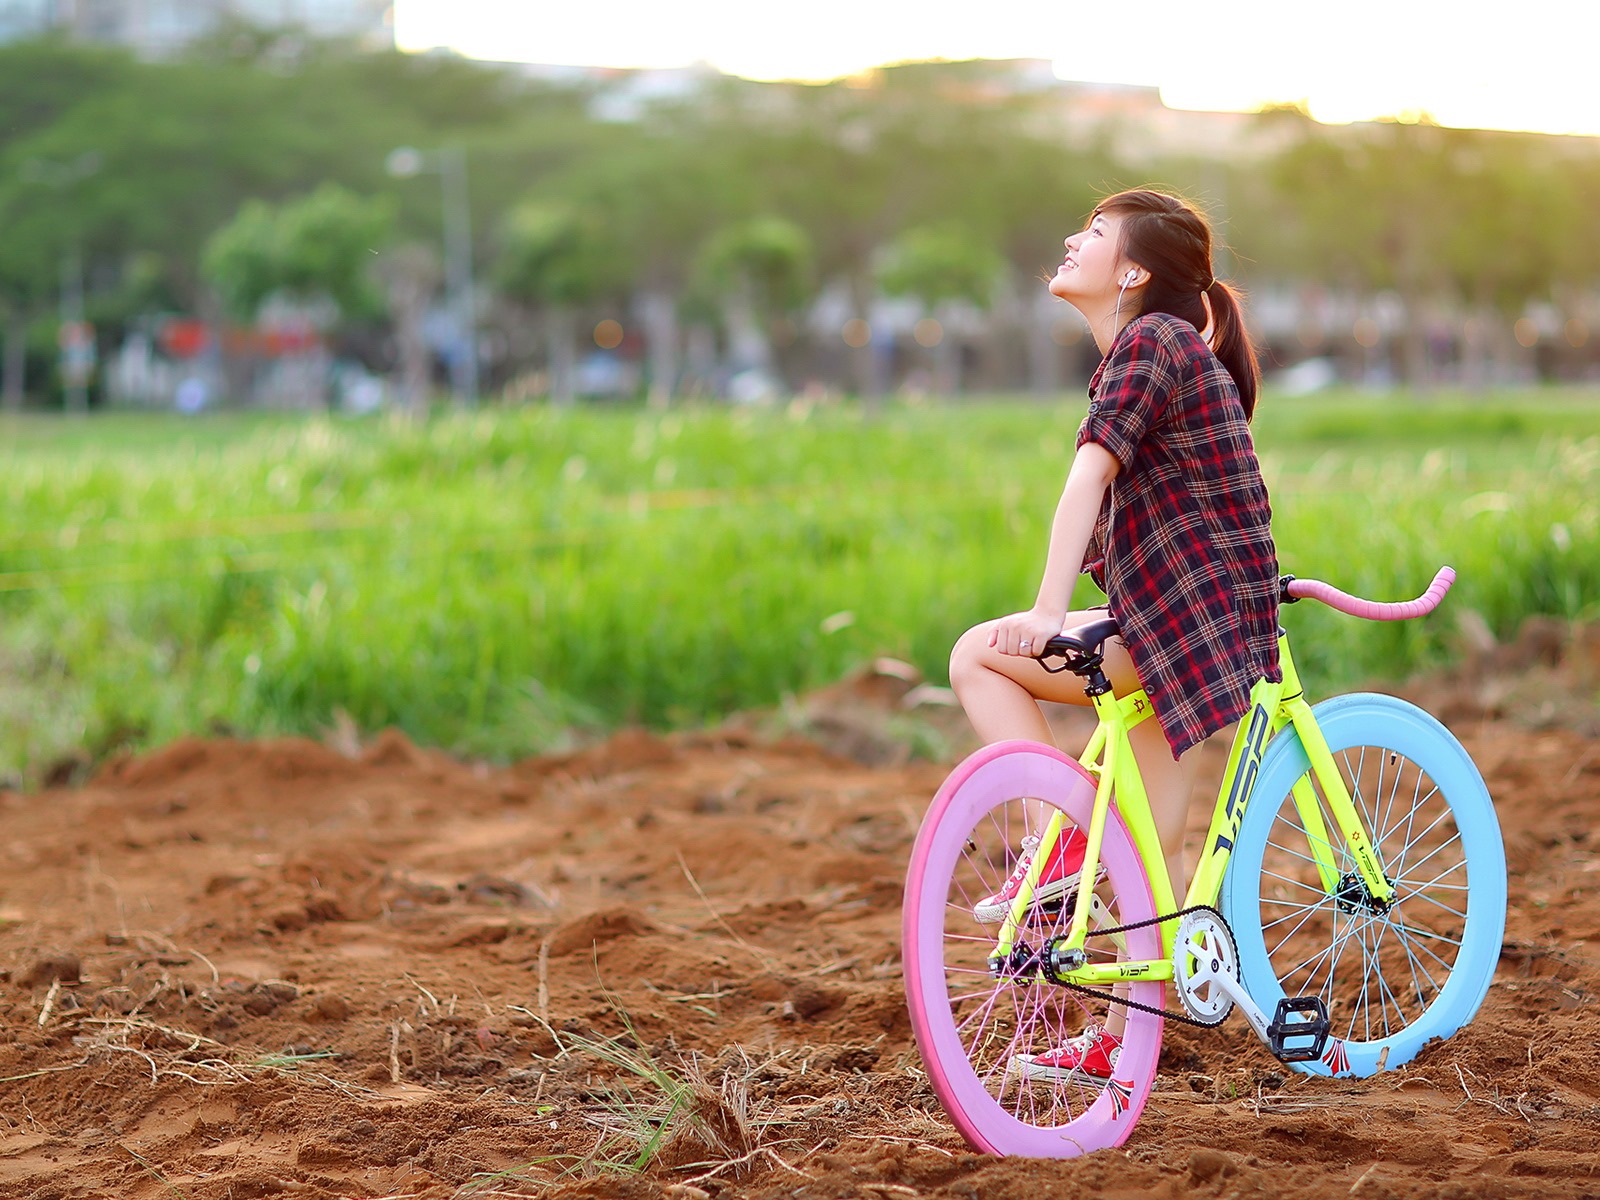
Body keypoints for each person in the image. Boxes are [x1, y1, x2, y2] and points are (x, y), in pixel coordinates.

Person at [947, 188, 1280, 1083]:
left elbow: (1086, 478)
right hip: (1190, 625)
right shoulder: (1163, 348)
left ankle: (1058, 839)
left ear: (1133, 271)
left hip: (1181, 625)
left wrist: (1049, 615)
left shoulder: (1152, 342)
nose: (1070, 238)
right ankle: (1130, 1035)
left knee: (979, 655)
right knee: (1147, 851)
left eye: (1093, 232)